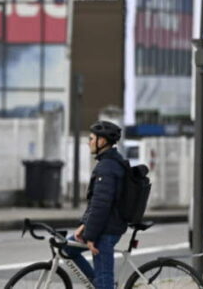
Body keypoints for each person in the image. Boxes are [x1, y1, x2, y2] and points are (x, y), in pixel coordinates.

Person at [61, 120, 127, 289]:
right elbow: (95, 202)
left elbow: (101, 205)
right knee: (67, 248)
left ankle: (101, 284)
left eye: (91, 138)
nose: (88, 142)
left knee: (105, 280)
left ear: (102, 141)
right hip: (104, 226)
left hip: (106, 230)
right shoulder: (109, 163)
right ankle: (96, 283)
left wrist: (90, 235)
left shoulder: (107, 167)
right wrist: (84, 225)